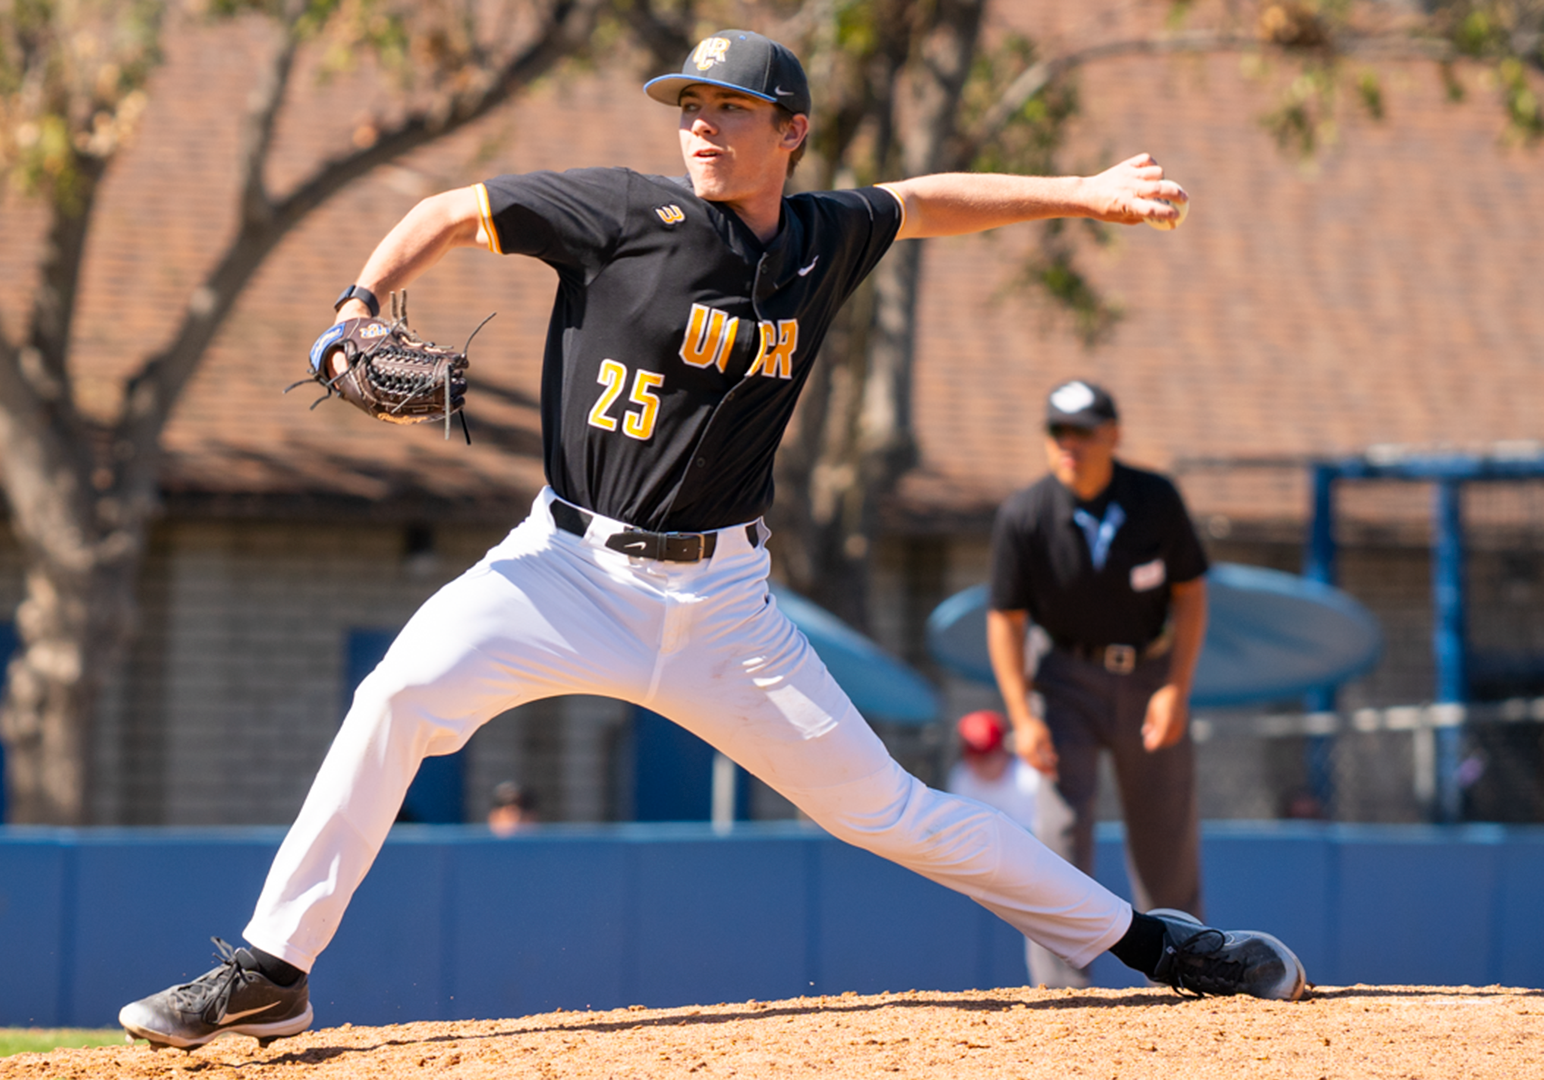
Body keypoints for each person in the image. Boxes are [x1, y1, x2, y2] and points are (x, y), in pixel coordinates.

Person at [117, 30, 1304, 1050]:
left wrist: (1082, 192)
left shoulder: (824, 239)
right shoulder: (625, 214)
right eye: (690, 105)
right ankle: (273, 972)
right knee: (395, 700)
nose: (700, 124)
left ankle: (1157, 943)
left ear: (792, 131)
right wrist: (356, 306)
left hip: (725, 606)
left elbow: (930, 201)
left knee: (891, 812)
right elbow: (447, 212)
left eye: (730, 108)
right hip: (562, 570)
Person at [985, 380, 1211, 989]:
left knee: (1166, 836)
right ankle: (1062, 990)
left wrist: (1177, 688)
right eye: (1057, 431)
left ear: (1113, 434)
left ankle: (1187, 971)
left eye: (1083, 431)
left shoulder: (1155, 499)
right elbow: (1004, 621)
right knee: (1060, 832)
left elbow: (1190, 596)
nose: (1070, 443)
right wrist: (1021, 717)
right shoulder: (1026, 514)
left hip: (1150, 677)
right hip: (1063, 682)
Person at [944, 710, 1042, 830]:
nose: (981, 764)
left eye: (987, 757)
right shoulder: (961, 776)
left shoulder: (1027, 778)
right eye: (974, 757)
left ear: (1003, 751)